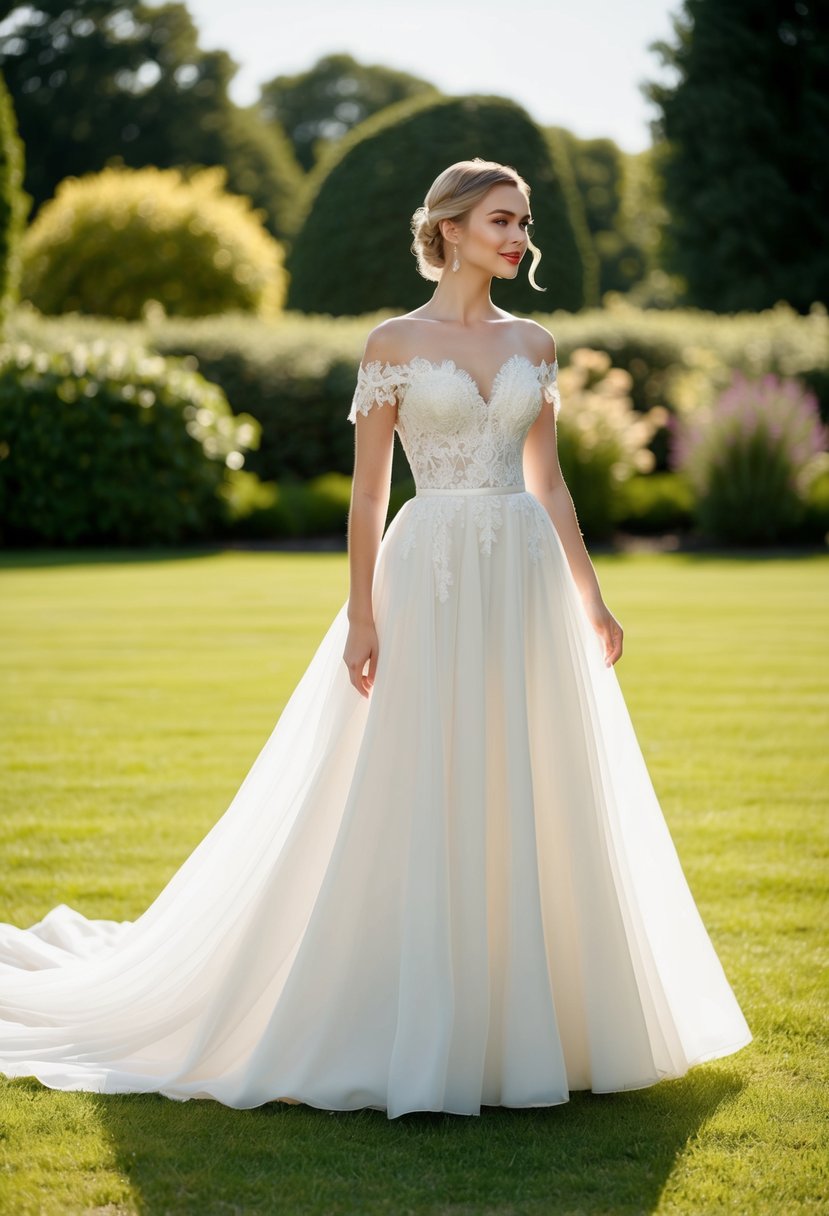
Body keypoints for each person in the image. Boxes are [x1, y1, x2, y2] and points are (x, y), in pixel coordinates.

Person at [0, 158, 751, 1120]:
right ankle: (410, 1012)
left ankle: (537, 1021)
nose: (518, 237)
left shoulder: (537, 341)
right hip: (429, 569)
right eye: (499, 220)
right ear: (447, 227)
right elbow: (367, 491)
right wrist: (361, 612)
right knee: (423, 776)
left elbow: (549, 482)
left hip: (519, 576)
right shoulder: (392, 342)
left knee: (529, 778)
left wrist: (592, 600)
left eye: (523, 222)